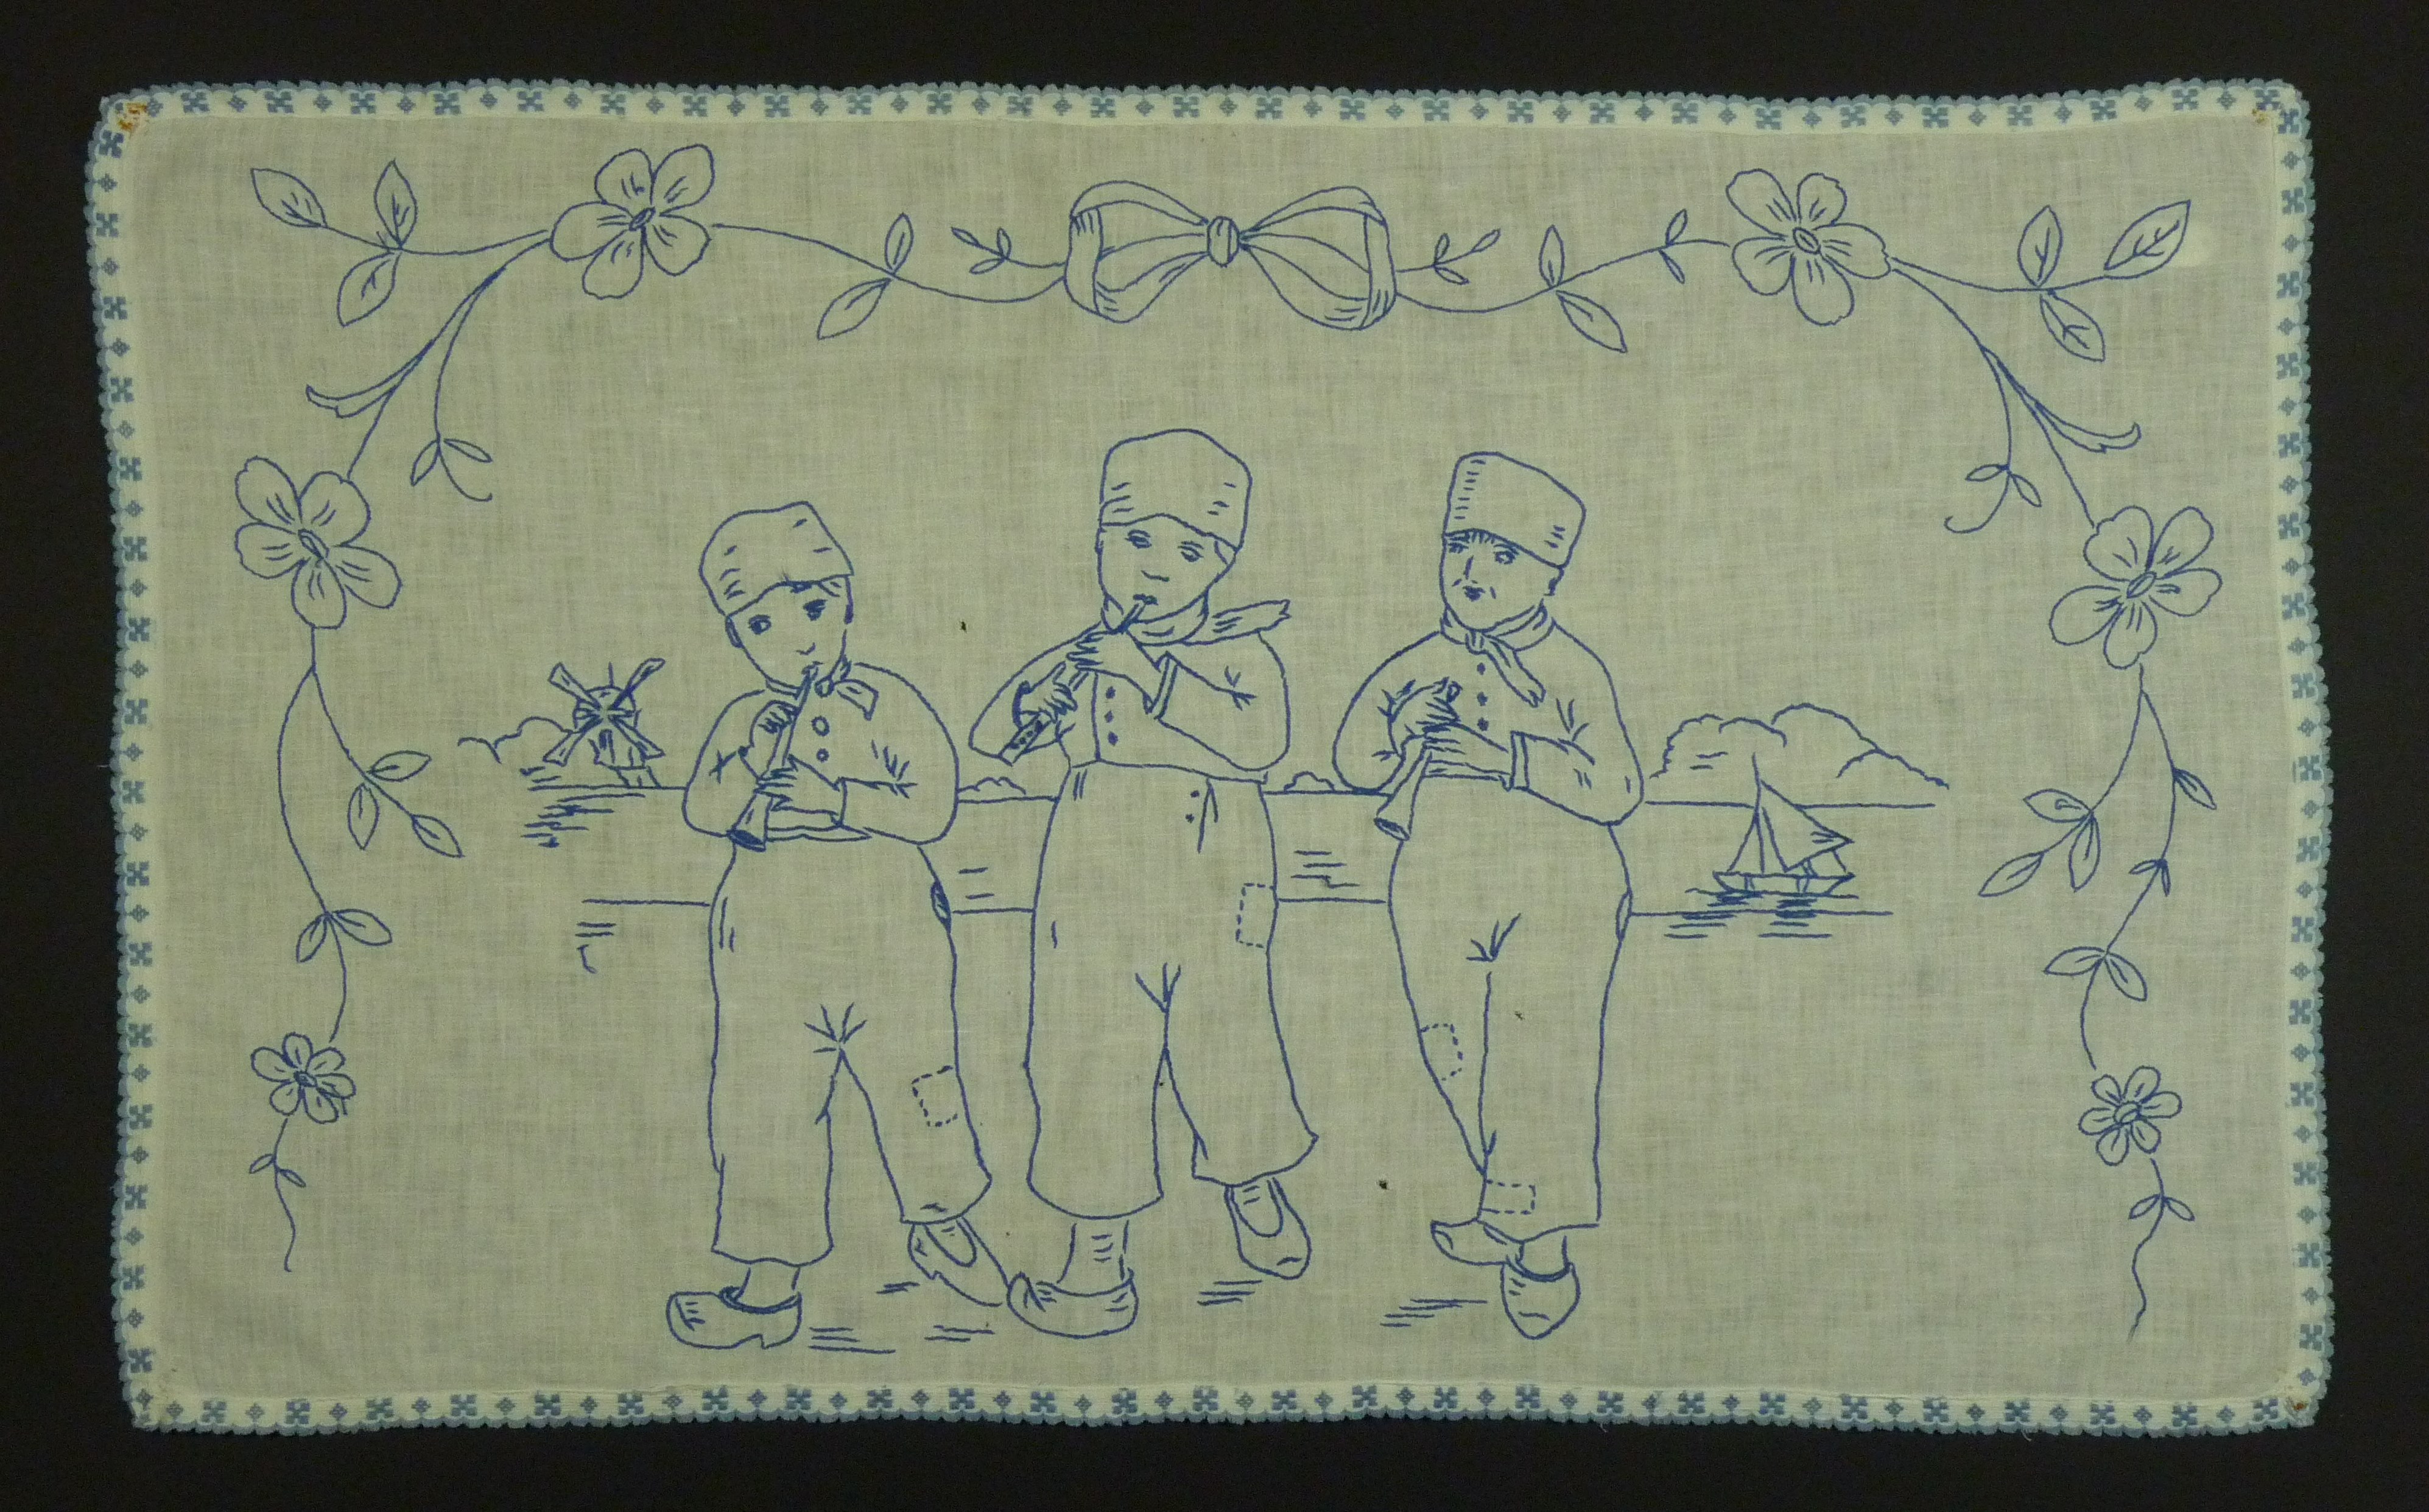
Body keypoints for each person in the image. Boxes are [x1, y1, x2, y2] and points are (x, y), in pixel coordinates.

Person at [971, 429, 1316, 1338]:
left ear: (1222, 564)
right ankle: (1096, 1263)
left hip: (1214, 881)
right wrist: (1041, 703)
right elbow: (994, 737)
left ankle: (1251, 1184)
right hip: (1091, 887)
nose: (1156, 567)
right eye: (1134, 540)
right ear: (1098, 543)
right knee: (1087, 1057)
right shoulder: (1085, 651)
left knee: (1227, 1043)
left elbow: (1262, 742)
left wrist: (1153, 677)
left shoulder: (1241, 652)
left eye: (1189, 551)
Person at [666, 502, 1007, 1350]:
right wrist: (752, 762)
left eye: (814, 607)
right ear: (737, 637)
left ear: (847, 601)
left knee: (918, 1074)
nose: (794, 637)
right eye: (762, 624)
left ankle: (941, 1217)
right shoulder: (744, 719)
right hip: (767, 929)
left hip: (890, 919)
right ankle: (767, 1283)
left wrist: (839, 800)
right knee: (765, 1100)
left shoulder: (888, 701)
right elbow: (702, 809)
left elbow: (932, 805)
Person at [1331, 452, 1642, 1340]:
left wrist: (1507, 759)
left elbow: (1617, 788)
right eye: (1460, 546)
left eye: (1505, 555)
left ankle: (1540, 1253)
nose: (1474, 569)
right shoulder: (1415, 663)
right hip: (1436, 883)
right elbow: (1353, 762)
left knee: (1538, 1058)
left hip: (1563, 885)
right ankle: (1517, 1205)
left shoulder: (1572, 669)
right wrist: (1400, 732)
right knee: (1454, 1052)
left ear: (1550, 574)